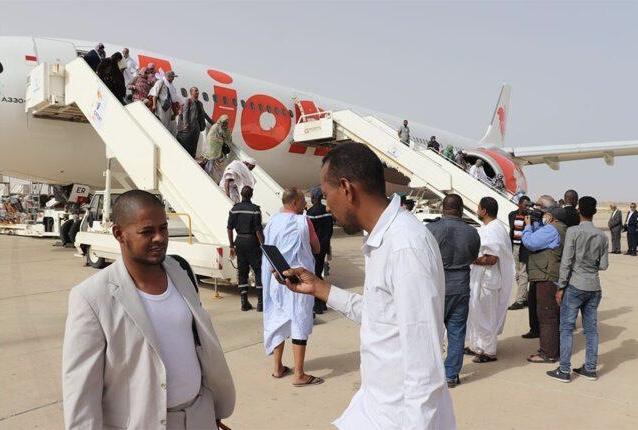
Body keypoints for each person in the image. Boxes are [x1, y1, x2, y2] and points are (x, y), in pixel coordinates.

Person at [281, 142, 456, 428]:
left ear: (346, 188)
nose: (326, 205)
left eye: (326, 194)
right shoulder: (381, 238)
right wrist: (319, 288)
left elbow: (425, 370)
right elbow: (381, 315)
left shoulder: (404, 246)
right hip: (373, 409)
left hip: (400, 421)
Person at [62, 190, 235, 429]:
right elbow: (81, 391)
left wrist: (211, 411)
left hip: (199, 415)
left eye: (163, 228)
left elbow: (198, 346)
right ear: (119, 234)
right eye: (147, 231)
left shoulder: (180, 271)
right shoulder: (92, 297)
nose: (159, 238)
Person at [261, 188, 322, 386]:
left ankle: (277, 368)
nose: (305, 204)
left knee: (278, 319)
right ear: (295, 202)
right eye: (303, 201)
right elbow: (316, 247)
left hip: (276, 279)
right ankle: (299, 374)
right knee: (299, 321)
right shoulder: (303, 221)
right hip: (298, 280)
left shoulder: (272, 221)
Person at [547, 196, 609, 382]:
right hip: (594, 286)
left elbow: (566, 262)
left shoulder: (573, 231)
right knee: (591, 330)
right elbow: (604, 265)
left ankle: (564, 370)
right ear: (594, 212)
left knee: (566, 328)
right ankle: (590, 368)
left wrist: (561, 286)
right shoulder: (602, 236)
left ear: (579, 211)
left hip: (575, 284)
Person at [426, 194, 480, 387]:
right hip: (461, 286)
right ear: (461, 209)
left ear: (442, 208)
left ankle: (430, 373)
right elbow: (473, 257)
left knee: (431, 331)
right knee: (457, 331)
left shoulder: (430, 229)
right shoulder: (472, 232)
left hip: (436, 287)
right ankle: (451, 375)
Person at [465, 197, 515, 362]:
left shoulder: (494, 229)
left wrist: (470, 259)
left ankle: (488, 351)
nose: (477, 210)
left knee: (486, 316)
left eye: (478, 208)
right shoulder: (491, 227)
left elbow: (491, 259)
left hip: (487, 280)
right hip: (482, 279)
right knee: (477, 314)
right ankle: (477, 346)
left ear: (484, 211)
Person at [522, 198, 567, 363]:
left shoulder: (551, 229)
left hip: (546, 276)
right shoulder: (561, 227)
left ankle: (548, 353)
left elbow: (530, 242)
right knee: (554, 315)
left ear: (551, 215)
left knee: (547, 316)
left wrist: (527, 226)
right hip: (553, 275)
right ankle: (555, 349)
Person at [227, 186, 264, 312]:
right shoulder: (255, 210)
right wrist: (263, 245)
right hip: (252, 242)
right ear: (251, 195)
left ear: (241, 195)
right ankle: (260, 303)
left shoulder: (234, 209)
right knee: (258, 271)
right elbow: (258, 230)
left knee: (242, 272)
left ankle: (244, 302)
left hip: (240, 242)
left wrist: (231, 245)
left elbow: (229, 228)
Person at [306, 187, 334, 314]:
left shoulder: (311, 212)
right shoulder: (327, 211)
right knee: (319, 272)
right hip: (324, 246)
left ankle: (318, 304)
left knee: (315, 274)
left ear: (314, 198)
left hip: (315, 248)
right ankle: (322, 302)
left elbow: (309, 233)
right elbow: (330, 230)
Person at [508, 195, 531, 310]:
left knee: (522, 273)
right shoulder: (512, 215)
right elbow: (512, 230)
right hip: (514, 247)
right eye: (525, 205)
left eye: (528, 205)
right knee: (517, 273)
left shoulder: (530, 217)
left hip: (524, 248)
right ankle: (525, 297)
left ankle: (519, 300)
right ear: (519, 204)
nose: (527, 207)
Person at [177, 87, 214, 158]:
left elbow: (204, 114)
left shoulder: (200, 103)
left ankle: (192, 157)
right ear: (191, 93)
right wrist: (186, 124)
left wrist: (213, 123)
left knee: (194, 146)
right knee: (187, 146)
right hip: (189, 127)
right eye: (196, 91)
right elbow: (185, 113)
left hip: (196, 128)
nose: (197, 92)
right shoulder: (188, 101)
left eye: (198, 91)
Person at [149, 70, 181, 134]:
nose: (173, 79)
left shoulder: (171, 86)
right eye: (172, 77)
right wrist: (154, 105)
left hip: (168, 107)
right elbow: (155, 94)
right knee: (161, 122)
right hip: (160, 106)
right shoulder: (161, 82)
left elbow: (173, 98)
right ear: (168, 77)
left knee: (167, 124)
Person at [204, 115, 232, 180]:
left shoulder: (226, 129)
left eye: (226, 122)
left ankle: (213, 178)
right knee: (210, 165)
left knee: (217, 167)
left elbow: (228, 139)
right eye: (224, 122)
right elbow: (211, 138)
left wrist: (222, 140)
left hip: (219, 151)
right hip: (212, 150)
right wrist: (221, 140)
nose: (225, 123)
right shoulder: (215, 127)